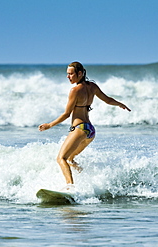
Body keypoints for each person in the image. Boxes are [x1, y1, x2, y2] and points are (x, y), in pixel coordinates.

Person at [38, 61, 131, 191]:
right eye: (67, 74)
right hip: (90, 131)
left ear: (80, 73)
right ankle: (88, 181)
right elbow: (107, 99)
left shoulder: (74, 90)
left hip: (80, 129)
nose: (68, 77)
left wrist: (50, 125)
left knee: (61, 158)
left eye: (70, 74)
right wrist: (119, 104)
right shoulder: (92, 86)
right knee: (70, 159)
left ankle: (70, 187)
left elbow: (66, 114)